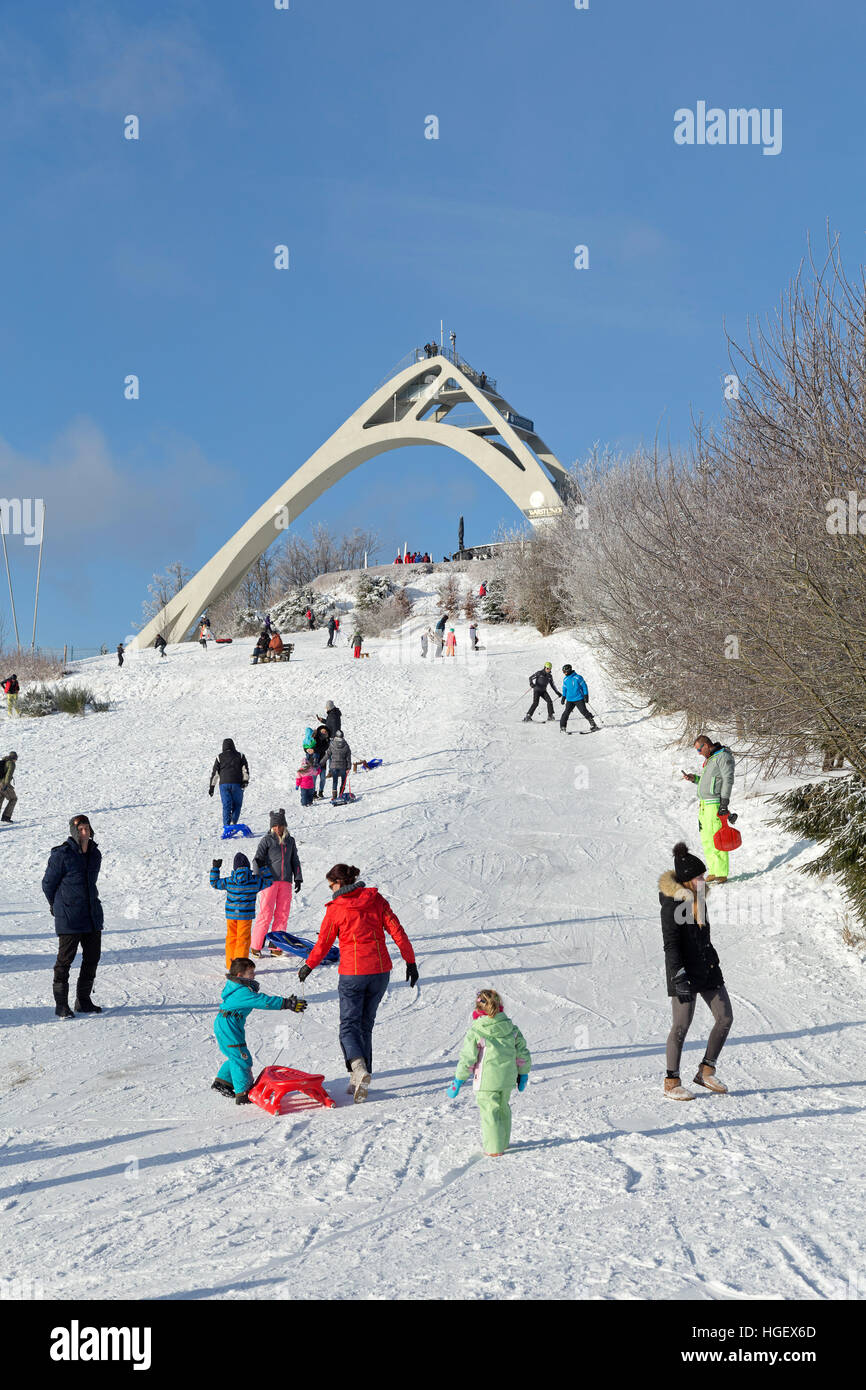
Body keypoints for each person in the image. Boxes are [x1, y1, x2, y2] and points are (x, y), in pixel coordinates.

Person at [297, 863, 418, 1101]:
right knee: (365, 1025)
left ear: (339, 883)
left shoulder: (336, 908)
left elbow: (323, 943)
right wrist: (410, 962)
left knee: (349, 1025)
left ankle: (358, 1069)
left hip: (353, 973)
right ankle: (359, 1080)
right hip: (380, 972)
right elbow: (398, 932)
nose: (330, 890)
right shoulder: (375, 899)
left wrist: (308, 965)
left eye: (331, 885)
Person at [659, 842, 733, 1100]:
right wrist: (678, 975)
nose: (704, 879)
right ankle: (671, 1081)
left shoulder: (700, 899)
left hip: (707, 968)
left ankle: (706, 1071)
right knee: (681, 1025)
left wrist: (713, 962)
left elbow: (704, 937)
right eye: (699, 876)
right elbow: (671, 944)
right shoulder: (672, 905)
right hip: (684, 973)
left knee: (725, 1017)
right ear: (687, 880)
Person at [446, 988, 531, 1156]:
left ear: (477, 1011)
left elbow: (468, 1059)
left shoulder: (477, 1031)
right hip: (507, 1079)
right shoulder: (512, 1029)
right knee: (503, 1108)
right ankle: (503, 1142)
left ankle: (494, 1149)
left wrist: (458, 1080)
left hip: (486, 1082)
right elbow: (522, 1054)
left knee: (490, 1113)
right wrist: (523, 1073)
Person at [212, 957, 306, 1104]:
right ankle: (243, 1093)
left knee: (235, 1055)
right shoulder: (242, 992)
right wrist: (286, 1003)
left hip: (226, 1024)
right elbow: (263, 1001)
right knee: (242, 1058)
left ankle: (222, 1082)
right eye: (250, 973)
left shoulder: (235, 987)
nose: (254, 975)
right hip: (228, 1025)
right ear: (240, 976)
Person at [42, 814, 104, 1019]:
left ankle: (83, 1001)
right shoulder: (62, 855)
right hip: (69, 916)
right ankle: (61, 1005)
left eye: (87, 828)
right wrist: (57, 905)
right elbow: (48, 884)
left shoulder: (95, 854)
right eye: (81, 829)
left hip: (91, 914)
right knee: (65, 961)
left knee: (92, 958)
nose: (85, 832)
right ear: (74, 832)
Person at [682, 735, 736, 884]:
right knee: (707, 839)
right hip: (704, 806)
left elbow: (727, 779)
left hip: (715, 804)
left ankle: (721, 872)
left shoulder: (723, 757)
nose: (699, 753)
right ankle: (713, 870)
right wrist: (695, 779)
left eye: (699, 749)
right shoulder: (711, 759)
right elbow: (710, 781)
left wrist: (724, 803)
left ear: (706, 745)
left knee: (718, 838)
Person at [252, 809, 303, 956]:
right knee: (265, 913)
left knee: (282, 914)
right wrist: (258, 876)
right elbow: (257, 859)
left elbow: (295, 860)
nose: (278, 829)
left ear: (284, 825)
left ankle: (276, 946)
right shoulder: (266, 840)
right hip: (269, 882)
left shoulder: (290, 841)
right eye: (275, 826)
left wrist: (298, 877)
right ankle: (256, 946)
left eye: (280, 825)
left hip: (285, 881)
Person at [210, 852, 273, 970]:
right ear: (248, 867)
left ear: (235, 868)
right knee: (243, 939)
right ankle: (240, 968)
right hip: (245, 916)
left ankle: (230, 965)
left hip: (231, 915)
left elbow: (214, 883)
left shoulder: (230, 881)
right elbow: (269, 881)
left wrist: (215, 868)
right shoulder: (254, 881)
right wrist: (263, 867)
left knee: (231, 938)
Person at [209, 737, 250, 827]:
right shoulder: (240, 755)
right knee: (237, 804)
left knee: (226, 805)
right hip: (237, 784)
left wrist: (212, 787)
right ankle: (233, 822)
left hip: (224, 784)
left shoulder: (219, 757)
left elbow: (215, 773)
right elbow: (245, 770)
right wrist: (245, 781)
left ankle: (226, 826)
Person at [559, 665, 598, 732]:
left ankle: (593, 724)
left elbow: (584, 686)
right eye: (563, 672)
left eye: (565, 671)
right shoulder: (565, 679)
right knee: (566, 713)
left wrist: (586, 695)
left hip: (579, 698)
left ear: (569, 670)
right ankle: (563, 727)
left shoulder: (578, 677)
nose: (564, 673)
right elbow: (564, 688)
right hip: (570, 700)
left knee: (584, 711)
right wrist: (563, 697)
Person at [326, 730, 352, 800]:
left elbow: (327, 755)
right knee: (343, 780)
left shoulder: (332, 744)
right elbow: (348, 758)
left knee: (335, 781)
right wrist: (349, 767)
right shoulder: (346, 745)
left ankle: (334, 796)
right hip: (343, 766)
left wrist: (320, 763)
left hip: (334, 766)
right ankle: (341, 794)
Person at [312, 725, 331, 798]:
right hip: (314, 761)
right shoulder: (315, 738)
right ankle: (313, 793)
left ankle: (321, 792)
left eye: (325, 731)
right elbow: (310, 746)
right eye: (322, 731)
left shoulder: (327, 740)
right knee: (314, 778)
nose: (323, 732)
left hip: (323, 761)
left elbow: (325, 748)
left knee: (323, 778)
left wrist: (316, 750)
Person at [0, 750, 18, 823]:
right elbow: (8, 774)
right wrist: (7, 784)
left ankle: (5, 817)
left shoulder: (4, 761)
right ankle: (6, 817)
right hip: (4, 784)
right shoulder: (11, 763)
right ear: (15, 758)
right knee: (13, 799)